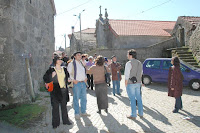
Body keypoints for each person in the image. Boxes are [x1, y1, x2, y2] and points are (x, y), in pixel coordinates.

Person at [43, 54, 72, 128]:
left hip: (64, 90)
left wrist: (68, 80)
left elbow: (67, 78)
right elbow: (45, 78)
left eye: (61, 59)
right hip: (55, 91)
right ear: (55, 61)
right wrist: (51, 76)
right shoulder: (51, 69)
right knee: (55, 107)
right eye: (59, 59)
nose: (60, 60)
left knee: (64, 107)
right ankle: (55, 123)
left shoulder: (64, 69)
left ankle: (66, 121)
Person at [67, 51, 90, 120]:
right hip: (77, 83)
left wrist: (85, 77)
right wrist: (73, 80)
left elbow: (83, 72)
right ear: (74, 56)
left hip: (83, 83)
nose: (80, 56)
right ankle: (76, 113)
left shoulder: (82, 63)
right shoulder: (71, 64)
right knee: (76, 99)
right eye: (78, 55)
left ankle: (83, 111)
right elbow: (69, 73)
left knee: (84, 98)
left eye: (80, 55)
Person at [125, 49, 143, 119]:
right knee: (139, 98)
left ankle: (133, 114)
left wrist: (126, 84)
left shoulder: (129, 63)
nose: (127, 56)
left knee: (132, 99)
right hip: (138, 83)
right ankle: (141, 113)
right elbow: (141, 73)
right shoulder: (139, 63)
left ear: (130, 55)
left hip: (130, 83)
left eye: (128, 54)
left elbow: (127, 75)